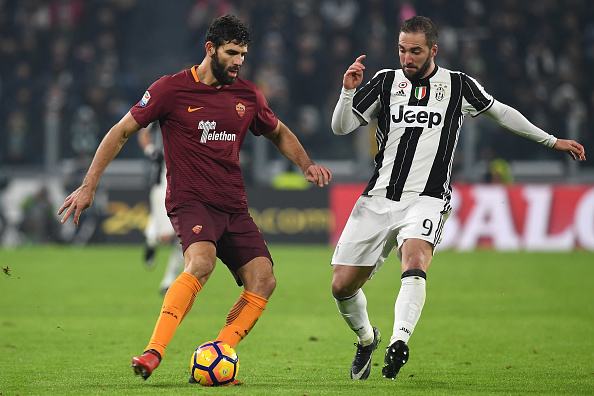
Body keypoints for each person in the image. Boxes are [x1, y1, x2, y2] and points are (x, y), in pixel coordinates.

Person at [58, 14, 332, 383]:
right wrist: (89, 184)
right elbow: (121, 131)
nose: (238, 61)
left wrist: (306, 164)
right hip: (191, 200)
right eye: (232, 53)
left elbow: (277, 131)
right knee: (201, 262)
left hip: (233, 205)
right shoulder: (170, 89)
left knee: (264, 279)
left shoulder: (248, 94)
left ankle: (219, 350)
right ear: (210, 49)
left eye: (243, 55)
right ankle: (154, 351)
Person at [329, 15, 586, 381]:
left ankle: (399, 341)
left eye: (415, 51)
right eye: (402, 50)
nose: (407, 58)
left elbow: (502, 113)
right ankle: (368, 338)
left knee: (415, 260)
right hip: (378, 198)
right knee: (341, 286)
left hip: (428, 198)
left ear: (433, 50)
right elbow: (341, 126)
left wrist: (551, 140)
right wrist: (347, 90)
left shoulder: (457, 85)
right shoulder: (385, 81)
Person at [137, 124, 185, 295]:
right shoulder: (162, 102)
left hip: (189, 179)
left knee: (185, 235)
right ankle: (151, 240)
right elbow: (143, 132)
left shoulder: (201, 107)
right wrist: (151, 151)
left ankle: (168, 282)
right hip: (164, 179)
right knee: (166, 236)